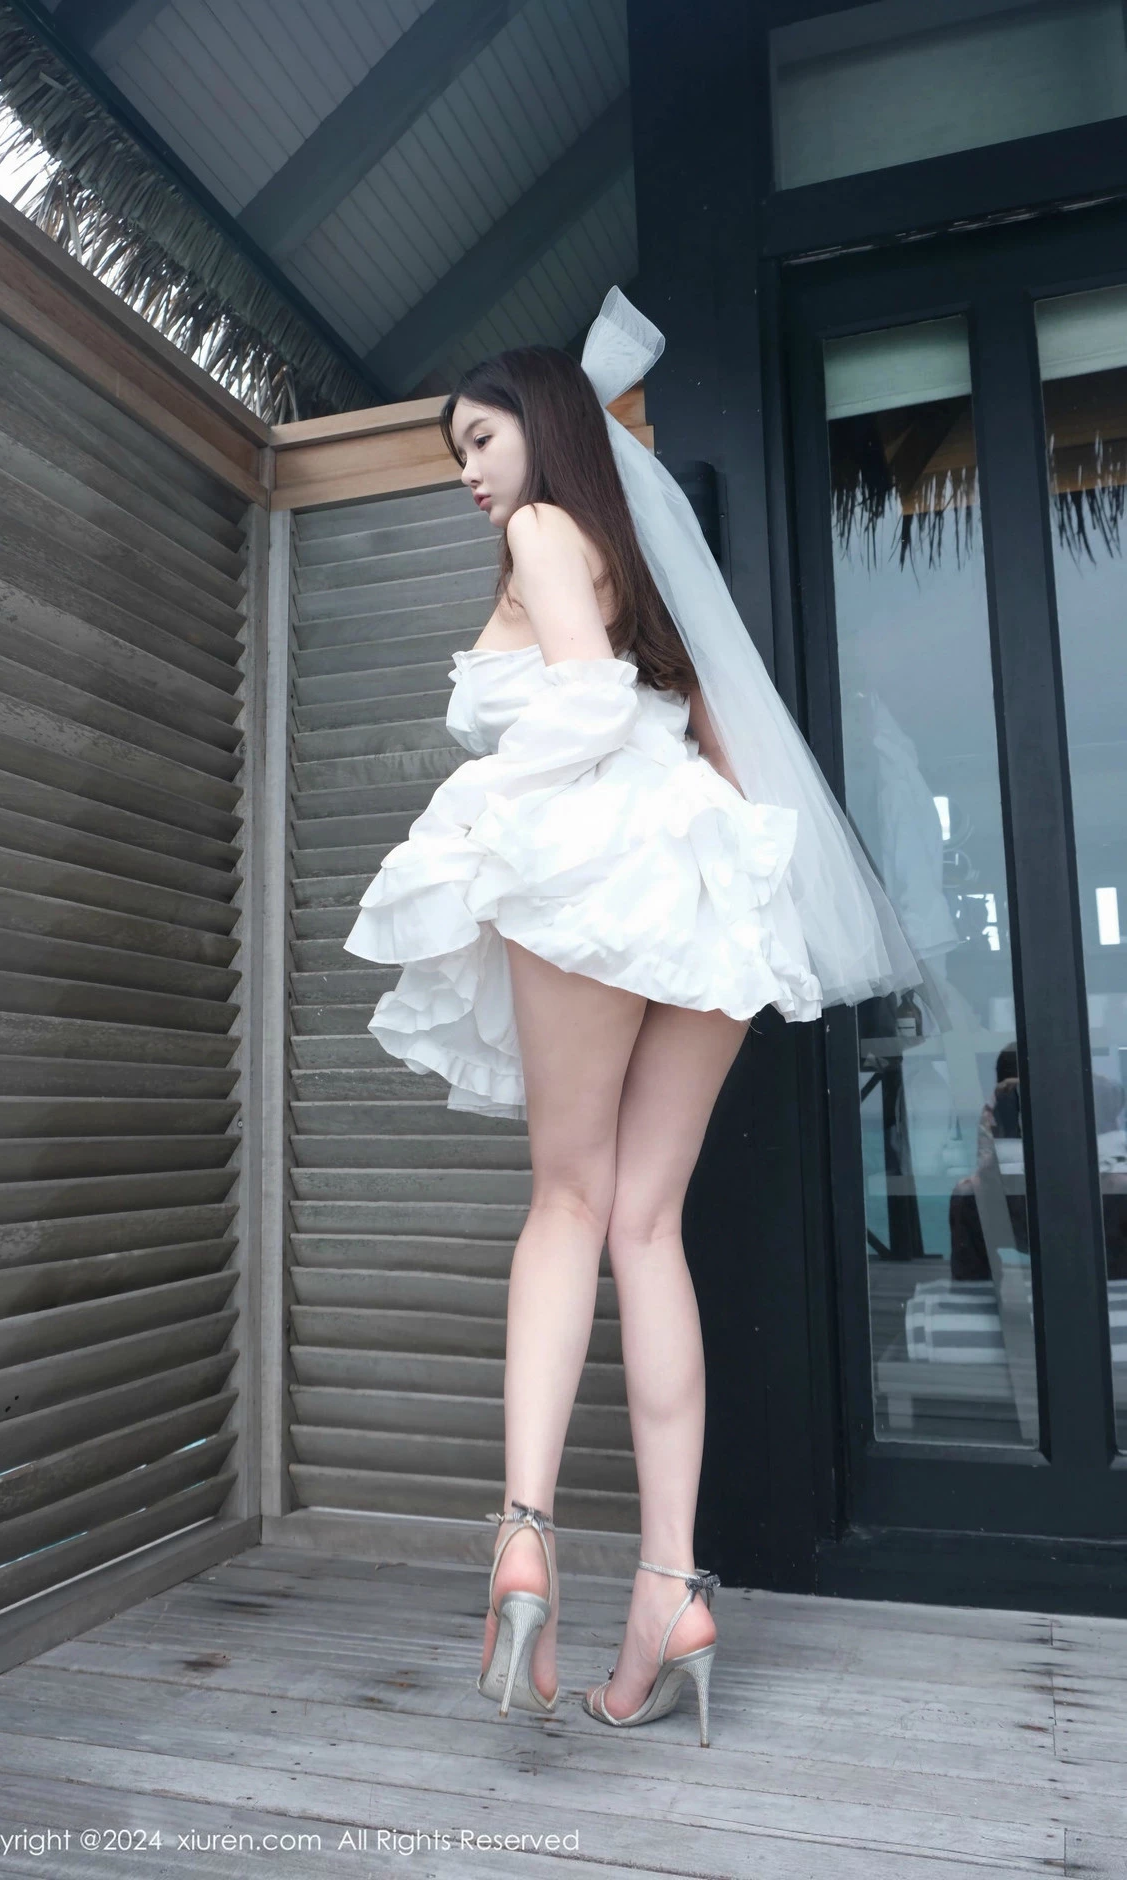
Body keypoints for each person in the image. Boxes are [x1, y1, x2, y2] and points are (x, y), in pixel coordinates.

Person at [343, 288, 922, 1749]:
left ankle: (523, 1539)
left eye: (479, 442)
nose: (469, 475)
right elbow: (706, 734)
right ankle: (671, 1589)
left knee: (567, 1200)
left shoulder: (544, 533)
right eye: (459, 454)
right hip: (710, 880)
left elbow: (590, 703)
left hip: (605, 872)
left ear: (543, 432)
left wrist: (493, 823)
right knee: (647, 1226)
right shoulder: (639, 564)